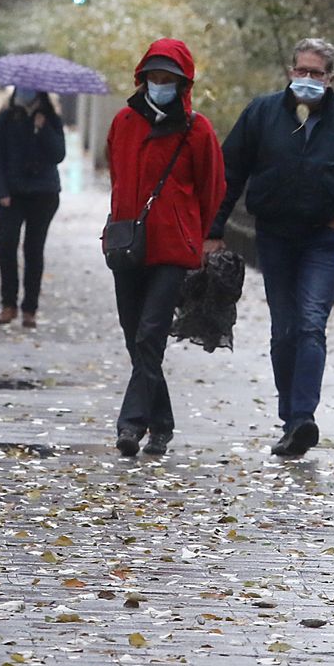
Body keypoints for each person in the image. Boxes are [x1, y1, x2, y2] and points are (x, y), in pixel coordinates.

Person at [205, 38, 334, 457]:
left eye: (316, 73)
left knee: (310, 323)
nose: (307, 79)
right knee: (284, 328)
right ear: (290, 72)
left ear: (331, 78)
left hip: (322, 237)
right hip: (275, 235)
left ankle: (303, 417)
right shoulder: (263, 112)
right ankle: (291, 418)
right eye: (301, 71)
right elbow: (230, 171)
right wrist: (214, 229)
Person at [105, 39, 227, 457]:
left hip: (173, 248)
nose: (160, 84)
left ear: (182, 83)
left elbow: (213, 188)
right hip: (127, 243)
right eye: (154, 77)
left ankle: (130, 424)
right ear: (143, 79)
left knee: (150, 334)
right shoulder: (124, 121)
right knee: (133, 335)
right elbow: (116, 175)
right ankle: (162, 422)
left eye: (168, 79)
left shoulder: (198, 129)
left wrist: (194, 231)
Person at [0, 87, 65, 329]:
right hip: (12, 194)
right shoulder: (7, 117)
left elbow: (58, 154)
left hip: (44, 193)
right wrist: (0, 191)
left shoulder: (51, 118)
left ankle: (29, 308)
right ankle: (8, 303)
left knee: (34, 250)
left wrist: (43, 129)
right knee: (7, 246)